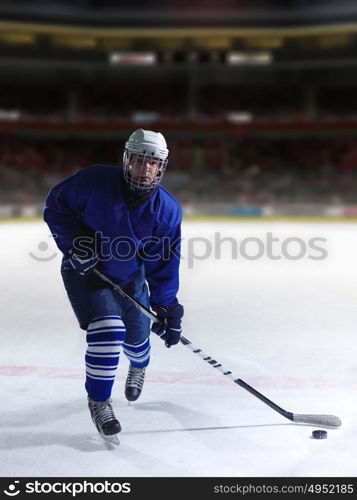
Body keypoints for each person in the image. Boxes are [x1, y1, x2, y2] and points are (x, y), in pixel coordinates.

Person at [44, 129, 183, 440]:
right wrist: (76, 242)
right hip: (86, 272)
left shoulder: (167, 210)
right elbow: (55, 206)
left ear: (161, 167)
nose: (144, 169)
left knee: (137, 343)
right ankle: (100, 401)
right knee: (108, 331)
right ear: (126, 159)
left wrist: (165, 305)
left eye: (152, 163)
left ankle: (139, 365)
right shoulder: (93, 182)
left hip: (129, 277)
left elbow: (163, 262)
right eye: (138, 160)